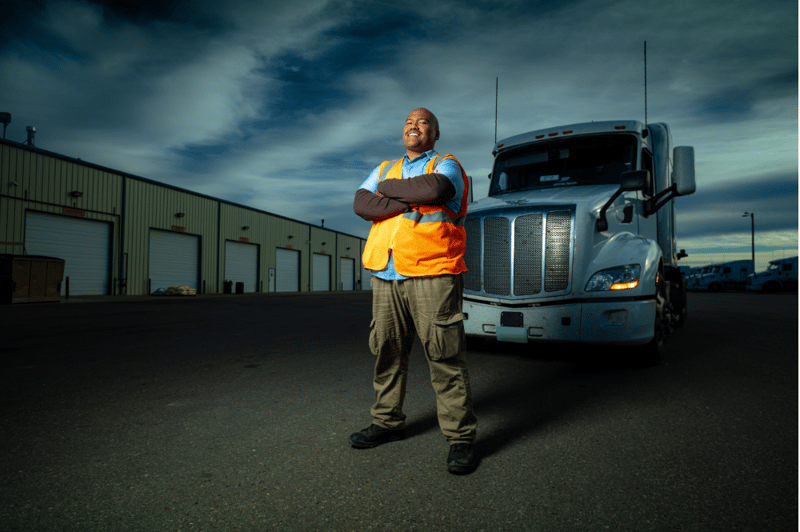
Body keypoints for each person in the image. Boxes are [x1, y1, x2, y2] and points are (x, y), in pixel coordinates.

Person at [350, 107, 478, 475]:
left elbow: (436, 189)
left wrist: (386, 193)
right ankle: (387, 423)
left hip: (433, 272)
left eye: (422, 123)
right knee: (386, 351)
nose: (413, 126)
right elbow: (361, 203)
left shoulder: (447, 164)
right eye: (408, 122)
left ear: (435, 134)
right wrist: (406, 194)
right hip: (386, 273)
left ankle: (460, 439)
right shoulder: (385, 166)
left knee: (444, 356)